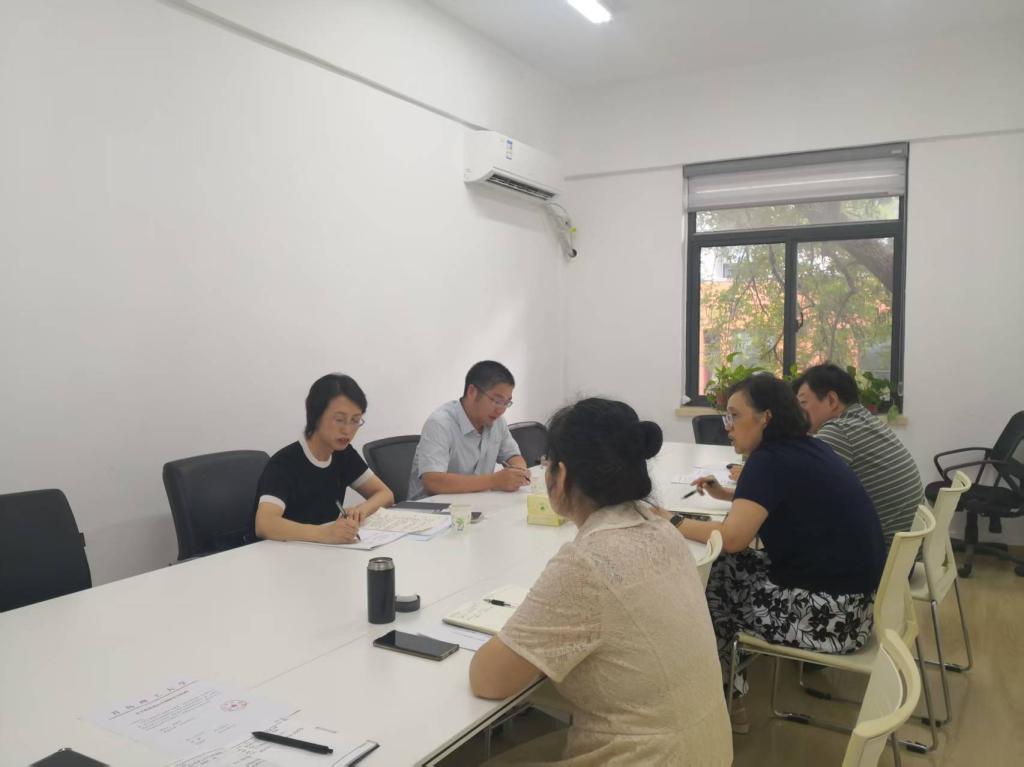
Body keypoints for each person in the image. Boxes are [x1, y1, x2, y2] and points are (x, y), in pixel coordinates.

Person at [469, 398, 732, 766]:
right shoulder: (661, 528)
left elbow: (489, 681)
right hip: (706, 748)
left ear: (560, 475)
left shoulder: (589, 563)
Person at [662, 375, 885, 732]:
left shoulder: (767, 461)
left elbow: (732, 538)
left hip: (828, 618)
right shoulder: (804, 449)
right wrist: (726, 495)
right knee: (723, 568)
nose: (727, 426)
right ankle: (731, 688)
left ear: (765, 417)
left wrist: (672, 521)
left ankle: (724, 705)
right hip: (856, 608)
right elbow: (779, 501)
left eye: (735, 415)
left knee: (706, 588)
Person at [793, 363, 924, 547]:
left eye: (803, 403)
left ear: (831, 400)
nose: (798, 413)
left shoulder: (840, 430)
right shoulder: (864, 420)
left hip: (883, 554)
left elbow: (795, 485)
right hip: (903, 551)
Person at [254, 374, 394, 544]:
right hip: (281, 552)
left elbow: (386, 494)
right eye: (339, 420)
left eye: (355, 420)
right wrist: (325, 534)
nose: (347, 430)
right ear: (315, 416)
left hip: (325, 551)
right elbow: (265, 524)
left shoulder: (343, 454)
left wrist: (361, 510)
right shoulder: (284, 463)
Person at [407, 360, 530, 501]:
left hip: (475, 505)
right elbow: (432, 482)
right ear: (472, 392)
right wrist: (494, 481)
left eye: (506, 403)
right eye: (497, 401)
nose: (501, 410)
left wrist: (519, 471)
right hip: (431, 509)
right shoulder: (440, 423)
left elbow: (512, 455)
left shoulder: (497, 421)